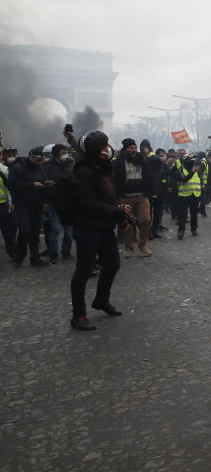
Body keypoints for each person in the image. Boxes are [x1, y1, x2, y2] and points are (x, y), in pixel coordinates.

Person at [70, 131, 126, 331]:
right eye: (103, 147)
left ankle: (101, 300)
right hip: (87, 227)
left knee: (112, 264)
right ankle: (78, 315)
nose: (107, 149)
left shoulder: (100, 167)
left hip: (104, 226)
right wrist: (115, 210)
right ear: (95, 151)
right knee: (84, 270)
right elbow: (87, 202)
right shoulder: (84, 171)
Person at [8, 146, 52, 268]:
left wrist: (46, 184)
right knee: (24, 231)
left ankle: (35, 257)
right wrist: (31, 185)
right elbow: (12, 185)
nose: (40, 163)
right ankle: (19, 257)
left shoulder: (40, 168)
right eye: (38, 160)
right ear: (31, 157)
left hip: (37, 204)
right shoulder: (18, 167)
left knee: (35, 233)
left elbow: (42, 182)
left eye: (41, 160)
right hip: (22, 205)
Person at [112, 138, 152, 257]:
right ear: (126, 149)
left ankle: (143, 244)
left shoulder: (142, 160)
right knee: (127, 224)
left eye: (135, 148)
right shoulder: (119, 162)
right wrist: (117, 197)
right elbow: (115, 179)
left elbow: (149, 175)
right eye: (131, 148)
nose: (134, 150)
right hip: (125, 197)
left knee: (146, 220)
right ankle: (129, 248)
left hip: (141, 196)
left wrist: (150, 191)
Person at [43, 143, 75, 262]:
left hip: (68, 202)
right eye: (63, 152)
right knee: (55, 228)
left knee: (69, 230)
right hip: (55, 201)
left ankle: (66, 251)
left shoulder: (70, 164)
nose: (65, 155)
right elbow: (59, 178)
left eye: (66, 152)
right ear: (56, 154)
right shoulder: (49, 167)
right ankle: (53, 254)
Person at [174, 154, 203, 239]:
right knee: (182, 214)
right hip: (184, 194)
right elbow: (184, 179)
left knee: (194, 213)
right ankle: (181, 231)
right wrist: (193, 171)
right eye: (192, 161)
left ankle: (194, 229)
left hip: (195, 194)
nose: (194, 163)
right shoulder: (181, 169)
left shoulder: (197, 170)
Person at [146, 148, 168, 239]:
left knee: (155, 215)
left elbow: (164, 182)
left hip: (157, 195)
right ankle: (151, 231)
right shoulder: (148, 172)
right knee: (150, 215)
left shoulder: (160, 171)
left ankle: (153, 231)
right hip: (152, 195)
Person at [0, 147, 17, 261]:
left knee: (8, 231)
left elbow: (9, 188)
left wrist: (12, 202)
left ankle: (12, 252)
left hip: (3, 204)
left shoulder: (3, 171)